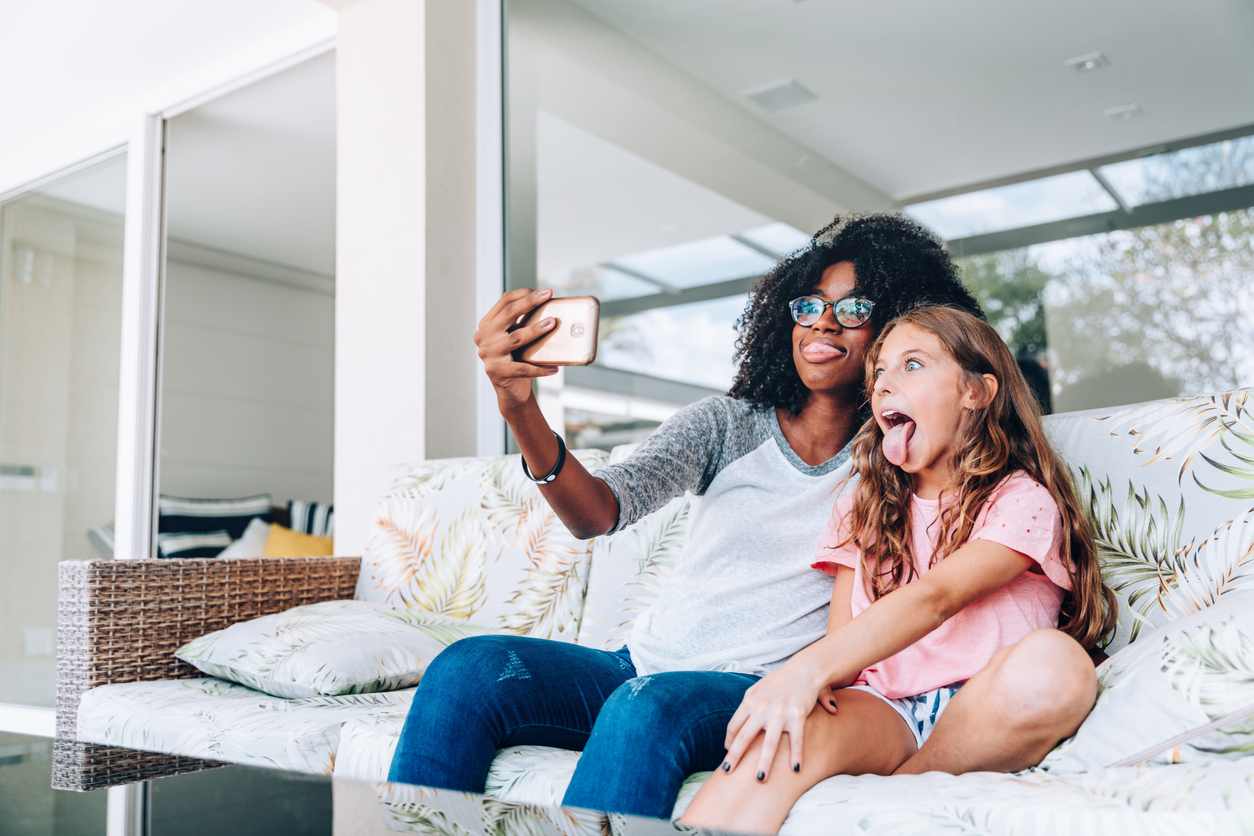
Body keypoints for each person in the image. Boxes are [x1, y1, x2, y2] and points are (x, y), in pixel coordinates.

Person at [388, 215, 1054, 819]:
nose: (823, 324)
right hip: (637, 666)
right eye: (808, 306)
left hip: (744, 688)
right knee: (469, 669)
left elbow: (966, 492)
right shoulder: (725, 426)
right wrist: (517, 407)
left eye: (854, 308)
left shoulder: (900, 452)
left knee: (646, 709)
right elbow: (596, 513)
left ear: (900, 327)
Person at [680, 305, 1117, 834]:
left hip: (986, 702)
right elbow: (845, 640)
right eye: (879, 372)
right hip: (885, 708)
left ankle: (906, 787)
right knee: (774, 740)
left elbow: (936, 597)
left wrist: (804, 668)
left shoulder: (1022, 500)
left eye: (913, 365)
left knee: (1057, 666)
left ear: (976, 391)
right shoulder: (862, 504)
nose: (885, 384)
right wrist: (806, 687)